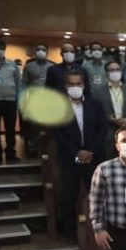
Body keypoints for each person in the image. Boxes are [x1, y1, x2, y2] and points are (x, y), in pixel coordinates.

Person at [53, 71, 107, 234]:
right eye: (71, 84)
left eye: (78, 84)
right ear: (66, 86)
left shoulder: (95, 104)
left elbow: (102, 129)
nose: (75, 87)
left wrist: (90, 151)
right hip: (70, 159)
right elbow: (58, 133)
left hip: (93, 158)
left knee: (97, 195)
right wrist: (77, 153)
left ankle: (97, 229)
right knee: (69, 195)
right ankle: (70, 231)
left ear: (83, 85)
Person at [94, 61, 126, 158]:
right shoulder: (98, 92)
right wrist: (108, 118)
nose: (115, 72)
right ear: (106, 73)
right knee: (109, 158)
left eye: (117, 69)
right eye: (112, 70)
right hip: (108, 132)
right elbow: (95, 112)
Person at [20, 44, 53, 157]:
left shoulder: (52, 66)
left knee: (47, 128)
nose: (40, 51)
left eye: (43, 50)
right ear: (35, 52)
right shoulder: (29, 66)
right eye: (38, 49)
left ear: (47, 52)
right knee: (33, 128)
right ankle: (32, 150)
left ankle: (45, 150)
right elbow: (24, 84)